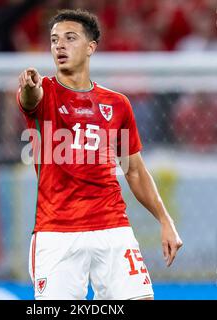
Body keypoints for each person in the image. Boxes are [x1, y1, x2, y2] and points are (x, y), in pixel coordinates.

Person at [16, 9, 182, 300]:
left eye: (70, 38)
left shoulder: (117, 104)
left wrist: (165, 220)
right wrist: (29, 87)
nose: (60, 46)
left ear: (91, 46)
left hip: (112, 227)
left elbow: (134, 170)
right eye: (54, 40)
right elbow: (29, 99)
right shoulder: (43, 92)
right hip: (58, 233)